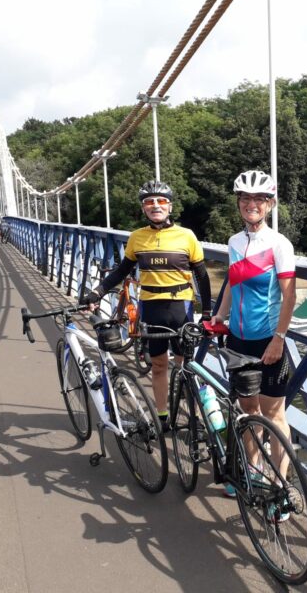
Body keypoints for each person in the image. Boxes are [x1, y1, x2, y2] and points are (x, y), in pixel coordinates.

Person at [82, 181, 211, 428]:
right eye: (149, 202)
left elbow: (202, 276)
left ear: (170, 206)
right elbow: (122, 270)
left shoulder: (187, 236)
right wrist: (98, 292)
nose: (155, 206)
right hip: (152, 308)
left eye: (161, 201)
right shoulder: (137, 237)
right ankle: (162, 417)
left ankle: (194, 419)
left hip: (181, 308)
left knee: (186, 367)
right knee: (159, 365)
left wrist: (206, 313)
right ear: (143, 208)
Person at [211, 170, 296, 501]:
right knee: (249, 412)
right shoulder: (234, 242)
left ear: (270, 204)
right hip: (237, 340)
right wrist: (220, 315)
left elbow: (289, 296)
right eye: (245, 198)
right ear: (238, 203)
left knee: (274, 414)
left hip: (267, 340)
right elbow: (233, 283)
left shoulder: (279, 244)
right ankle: (253, 471)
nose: (251, 204)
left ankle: (281, 487)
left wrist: (279, 337)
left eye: (259, 199)